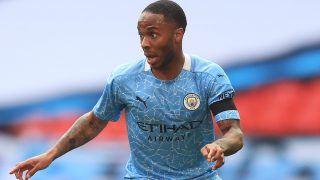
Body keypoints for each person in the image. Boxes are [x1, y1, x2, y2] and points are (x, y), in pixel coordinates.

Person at [10, 0, 244, 179]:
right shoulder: (125, 79)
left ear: (177, 35)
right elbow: (93, 121)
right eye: (141, 35)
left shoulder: (208, 76)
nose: (144, 43)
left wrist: (219, 146)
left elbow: (234, 133)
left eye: (152, 34)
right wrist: (49, 155)